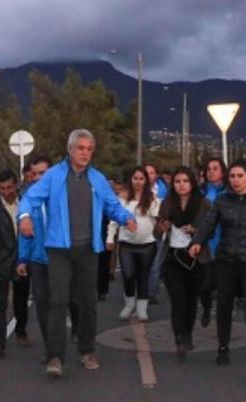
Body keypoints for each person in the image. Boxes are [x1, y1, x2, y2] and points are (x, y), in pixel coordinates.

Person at [18, 129, 137, 378]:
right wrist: (25, 216)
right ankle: (55, 357)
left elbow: (112, 205)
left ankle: (87, 350)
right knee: (57, 302)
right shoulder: (53, 176)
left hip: (87, 250)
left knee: (87, 303)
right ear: (70, 149)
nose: (85, 153)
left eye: (89, 149)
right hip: (59, 249)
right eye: (81, 148)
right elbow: (30, 198)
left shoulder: (98, 179)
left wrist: (126, 218)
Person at [189, 160, 246, 383]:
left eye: (240, 176)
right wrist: (197, 242)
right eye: (232, 176)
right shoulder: (222, 201)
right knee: (224, 307)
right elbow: (208, 224)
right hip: (226, 261)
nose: (235, 180)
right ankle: (223, 346)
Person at [155, 167, 210, 357]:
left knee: (191, 299)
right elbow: (156, 232)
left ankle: (188, 334)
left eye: (185, 181)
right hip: (173, 256)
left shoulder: (203, 204)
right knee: (177, 298)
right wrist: (162, 227)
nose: (181, 185)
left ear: (192, 183)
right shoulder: (167, 203)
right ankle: (179, 338)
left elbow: (209, 229)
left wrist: (196, 231)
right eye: (177, 181)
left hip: (195, 256)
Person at [0, 170, 30, 357]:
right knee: (0, 303)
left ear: (16, 185)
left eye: (9, 187)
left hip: (22, 259)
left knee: (21, 299)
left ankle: (21, 331)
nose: (6, 191)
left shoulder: (26, 203)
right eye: (2, 188)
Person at [109, 167, 161, 321]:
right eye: (135, 178)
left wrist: (162, 228)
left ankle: (142, 308)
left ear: (146, 181)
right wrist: (110, 238)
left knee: (144, 276)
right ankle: (129, 304)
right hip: (127, 244)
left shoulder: (153, 199)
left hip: (148, 244)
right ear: (130, 180)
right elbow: (114, 219)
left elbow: (157, 221)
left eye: (141, 178)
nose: (138, 181)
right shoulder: (123, 198)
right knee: (129, 275)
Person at [16, 156, 56, 355]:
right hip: (38, 258)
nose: (39, 177)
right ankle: (51, 349)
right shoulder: (29, 198)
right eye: (35, 174)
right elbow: (24, 231)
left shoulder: (61, 194)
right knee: (41, 302)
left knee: (64, 302)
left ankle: (76, 333)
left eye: (43, 173)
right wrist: (23, 258)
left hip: (62, 258)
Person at [198, 157, 227, 327]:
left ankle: (224, 317)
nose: (211, 171)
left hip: (225, 243)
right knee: (205, 284)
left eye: (215, 168)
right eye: (208, 168)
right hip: (205, 244)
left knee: (224, 284)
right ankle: (206, 308)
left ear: (223, 172)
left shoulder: (229, 192)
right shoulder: (201, 193)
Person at [144, 163, 168, 304]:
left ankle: (151, 292)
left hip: (156, 232)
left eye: (152, 172)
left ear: (156, 175)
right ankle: (139, 290)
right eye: (146, 172)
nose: (149, 175)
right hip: (140, 233)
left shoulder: (163, 190)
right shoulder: (135, 188)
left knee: (155, 263)